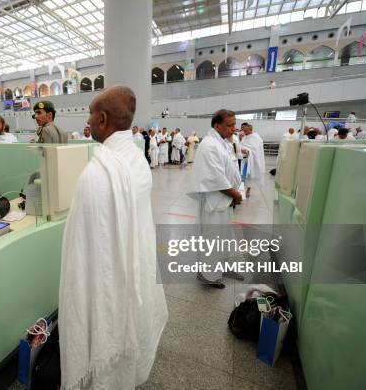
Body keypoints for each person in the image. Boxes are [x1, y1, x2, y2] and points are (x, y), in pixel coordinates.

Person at [59, 86, 168, 389]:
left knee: (107, 327)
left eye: (90, 116)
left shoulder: (97, 174)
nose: (88, 122)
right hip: (135, 276)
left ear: (103, 119)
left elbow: (82, 251)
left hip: (105, 285)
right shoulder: (138, 161)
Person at [192, 109, 242, 289]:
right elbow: (215, 178)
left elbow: (232, 170)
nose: (233, 128)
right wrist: (235, 194)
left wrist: (238, 191)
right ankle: (208, 275)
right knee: (212, 239)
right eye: (229, 125)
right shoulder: (210, 145)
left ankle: (221, 267)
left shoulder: (223, 142)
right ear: (217, 125)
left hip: (225, 201)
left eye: (234, 124)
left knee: (223, 238)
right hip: (215, 202)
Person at [240, 124, 265, 197]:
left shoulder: (256, 138)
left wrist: (248, 151)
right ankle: (241, 192)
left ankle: (248, 191)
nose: (244, 132)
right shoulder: (245, 137)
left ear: (251, 130)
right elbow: (241, 145)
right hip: (245, 160)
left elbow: (256, 150)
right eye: (243, 130)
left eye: (245, 130)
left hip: (253, 161)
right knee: (242, 176)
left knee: (250, 177)